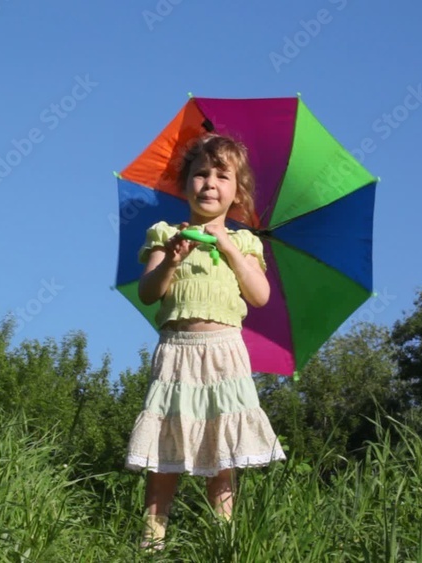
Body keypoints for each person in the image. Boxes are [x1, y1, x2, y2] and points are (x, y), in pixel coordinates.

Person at [124, 132, 286, 550]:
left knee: (223, 453)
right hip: (177, 354)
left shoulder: (245, 242)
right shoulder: (165, 234)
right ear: (186, 184)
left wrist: (229, 247)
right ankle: (152, 541)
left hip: (224, 354)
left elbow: (260, 294)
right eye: (200, 174)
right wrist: (171, 261)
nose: (210, 183)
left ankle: (223, 540)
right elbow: (148, 292)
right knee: (163, 452)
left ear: (237, 192)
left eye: (221, 176)